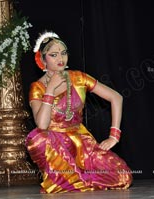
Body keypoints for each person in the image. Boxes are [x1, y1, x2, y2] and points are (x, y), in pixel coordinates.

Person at [26, 31, 133, 193]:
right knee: (37, 138)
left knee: (123, 176)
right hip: (54, 144)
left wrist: (114, 136)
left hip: (81, 142)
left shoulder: (78, 78)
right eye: (53, 55)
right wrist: (50, 89)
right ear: (42, 59)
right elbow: (41, 124)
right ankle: (71, 178)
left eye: (63, 53)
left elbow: (116, 97)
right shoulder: (37, 87)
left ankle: (76, 179)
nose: (60, 59)